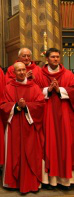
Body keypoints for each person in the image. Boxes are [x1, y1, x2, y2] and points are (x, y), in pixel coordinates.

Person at [0, 62, 45, 193]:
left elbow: (41, 104)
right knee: (14, 153)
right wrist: (16, 106)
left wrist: (27, 106)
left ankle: (31, 182)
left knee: (31, 153)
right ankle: (14, 183)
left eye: (23, 70)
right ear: (13, 73)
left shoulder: (34, 87)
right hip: (14, 125)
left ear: (26, 71)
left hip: (30, 126)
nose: (21, 72)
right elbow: (2, 106)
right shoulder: (8, 87)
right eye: (18, 70)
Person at [34, 48, 74, 189]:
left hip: (64, 115)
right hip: (47, 113)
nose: (56, 59)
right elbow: (33, 92)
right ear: (47, 58)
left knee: (65, 143)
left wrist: (60, 90)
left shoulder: (68, 74)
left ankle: (65, 180)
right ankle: (49, 180)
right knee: (48, 143)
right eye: (52, 57)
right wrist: (48, 90)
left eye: (57, 57)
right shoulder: (39, 74)